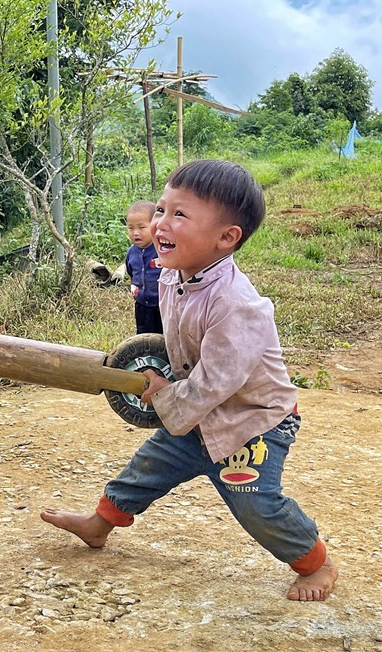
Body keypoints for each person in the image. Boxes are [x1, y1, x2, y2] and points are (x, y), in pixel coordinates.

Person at [42, 159, 338, 602]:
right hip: (197, 414)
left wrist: (164, 395)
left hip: (251, 421)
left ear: (226, 238)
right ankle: (98, 525)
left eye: (179, 215)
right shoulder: (171, 276)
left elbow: (214, 383)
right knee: (144, 471)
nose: (161, 222)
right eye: (161, 209)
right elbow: (177, 348)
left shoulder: (238, 304)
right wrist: (157, 373)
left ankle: (316, 564)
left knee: (256, 503)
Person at [123, 200, 163, 334]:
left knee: (165, 338)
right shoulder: (131, 253)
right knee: (144, 336)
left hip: (163, 305)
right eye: (131, 228)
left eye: (141, 227)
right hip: (141, 304)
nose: (135, 233)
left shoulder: (162, 250)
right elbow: (131, 273)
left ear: (155, 226)